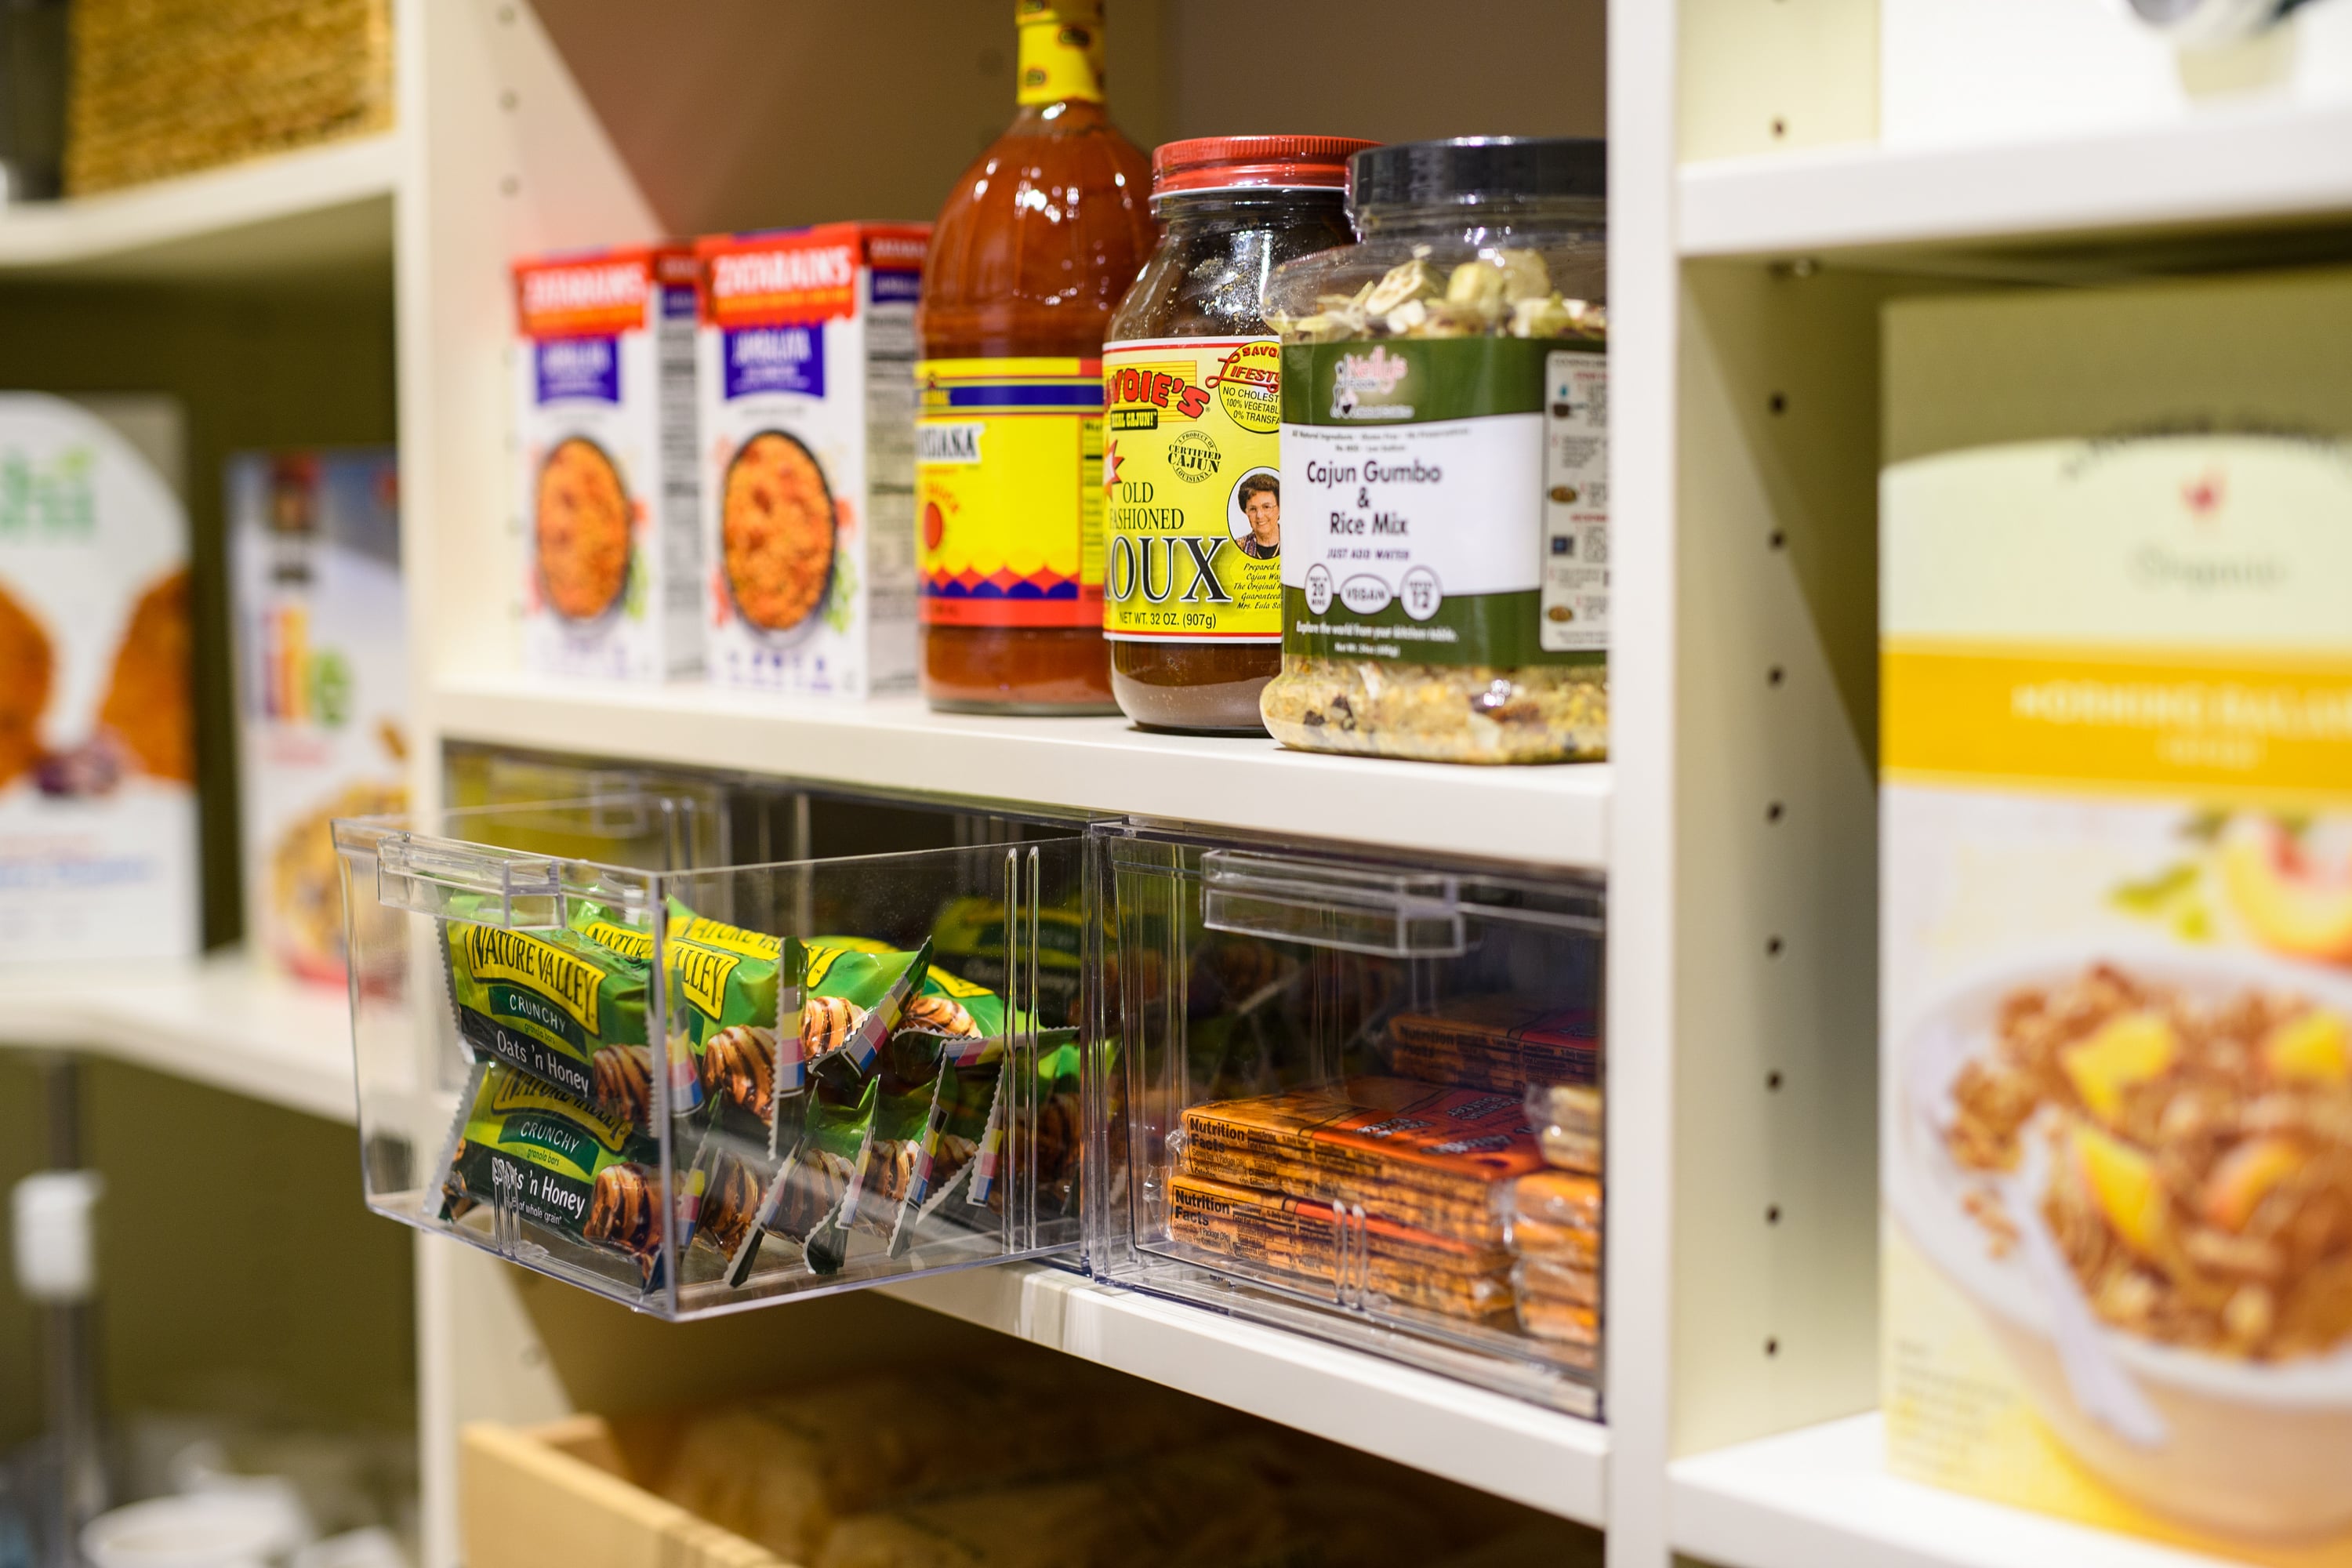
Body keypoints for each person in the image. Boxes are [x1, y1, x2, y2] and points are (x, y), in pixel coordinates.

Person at [1234, 472, 1279, 560]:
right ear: (1246, 512)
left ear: (1280, 509)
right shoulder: (1238, 547)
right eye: (1253, 509)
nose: (1259, 515)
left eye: (1266, 507)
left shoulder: (1295, 544)